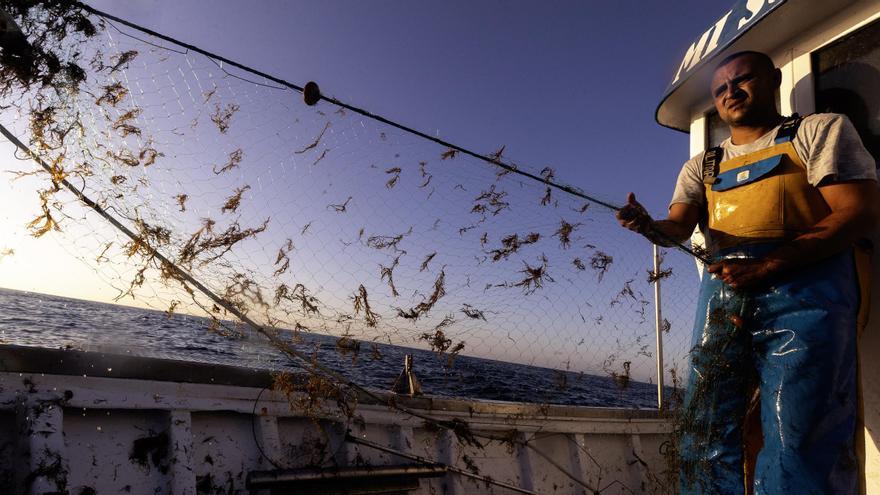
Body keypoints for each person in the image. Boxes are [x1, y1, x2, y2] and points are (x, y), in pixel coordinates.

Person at [618, 51, 878, 494]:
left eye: (742, 80)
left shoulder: (818, 131)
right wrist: (649, 227)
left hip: (806, 297)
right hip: (724, 301)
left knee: (799, 432)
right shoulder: (703, 165)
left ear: (774, 80)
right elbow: (677, 226)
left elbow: (858, 211)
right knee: (703, 426)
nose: (730, 93)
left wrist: (776, 262)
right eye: (720, 89)